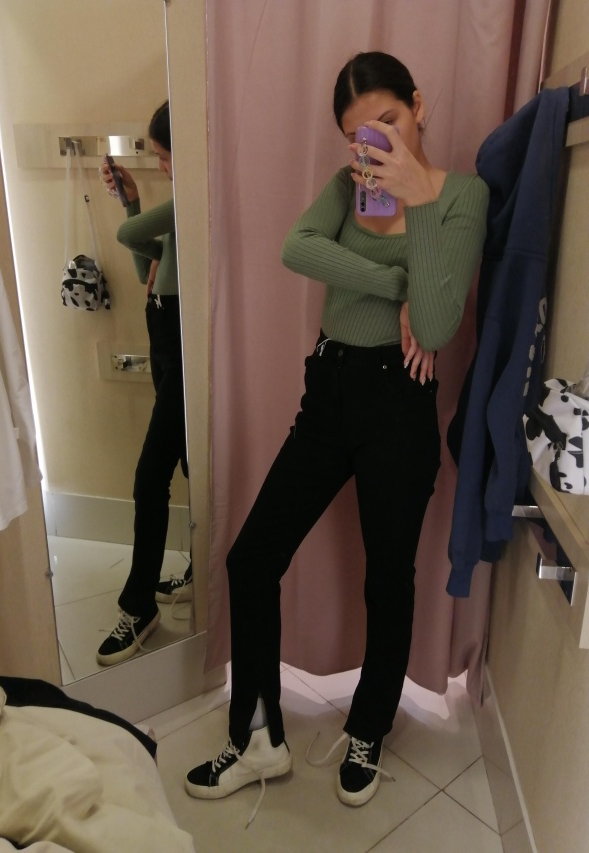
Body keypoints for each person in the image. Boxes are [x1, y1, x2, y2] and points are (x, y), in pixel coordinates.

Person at [185, 52, 489, 815]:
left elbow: (439, 324)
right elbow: (298, 247)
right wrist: (396, 283)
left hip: (399, 403)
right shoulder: (350, 188)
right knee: (252, 558)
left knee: (387, 578)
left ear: (418, 106)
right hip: (328, 393)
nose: (375, 143)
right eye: (359, 134)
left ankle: (367, 728)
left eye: (388, 119)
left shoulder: (462, 195)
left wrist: (418, 201)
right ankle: (259, 736)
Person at [96, 101, 192, 667]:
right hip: (163, 342)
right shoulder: (179, 214)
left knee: (150, 476)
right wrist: (132, 199)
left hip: (180, 350)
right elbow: (142, 268)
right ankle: (193, 572)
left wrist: (134, 216)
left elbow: (128, 234)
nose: (160, 166)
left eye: (164, 155)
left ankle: (139, 607)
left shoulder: (192, 201)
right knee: (184, 463)